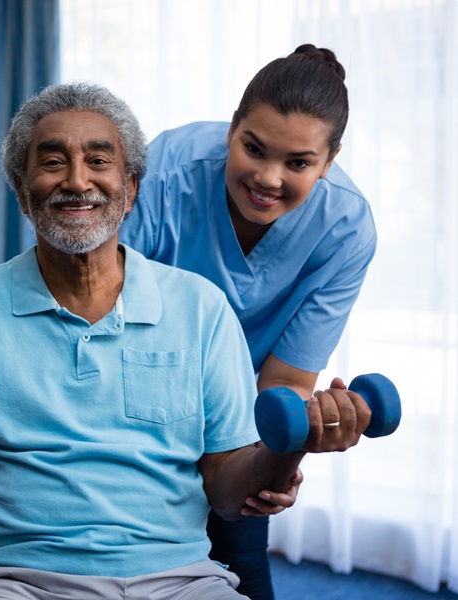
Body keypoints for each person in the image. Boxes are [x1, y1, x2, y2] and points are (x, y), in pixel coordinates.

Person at [0, 82, 371, 600]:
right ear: (21, 190)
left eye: (99, 161)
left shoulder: (202, 308)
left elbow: (226, 491)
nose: (78, 180)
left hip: (182, 581)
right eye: (53, 162)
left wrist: (295, 443)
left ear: (130, 189)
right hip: (18, 581)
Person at [118, 44, 377, 600]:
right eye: (253, 148)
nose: (268, 177)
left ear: (329, 160)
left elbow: (284, 385)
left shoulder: (347, 229)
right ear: (232, 128)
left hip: (239, 412)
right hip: (132, 394)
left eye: (299, 163)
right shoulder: (164, 173)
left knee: (241, 558)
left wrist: (272, 462)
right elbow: (102, 319)